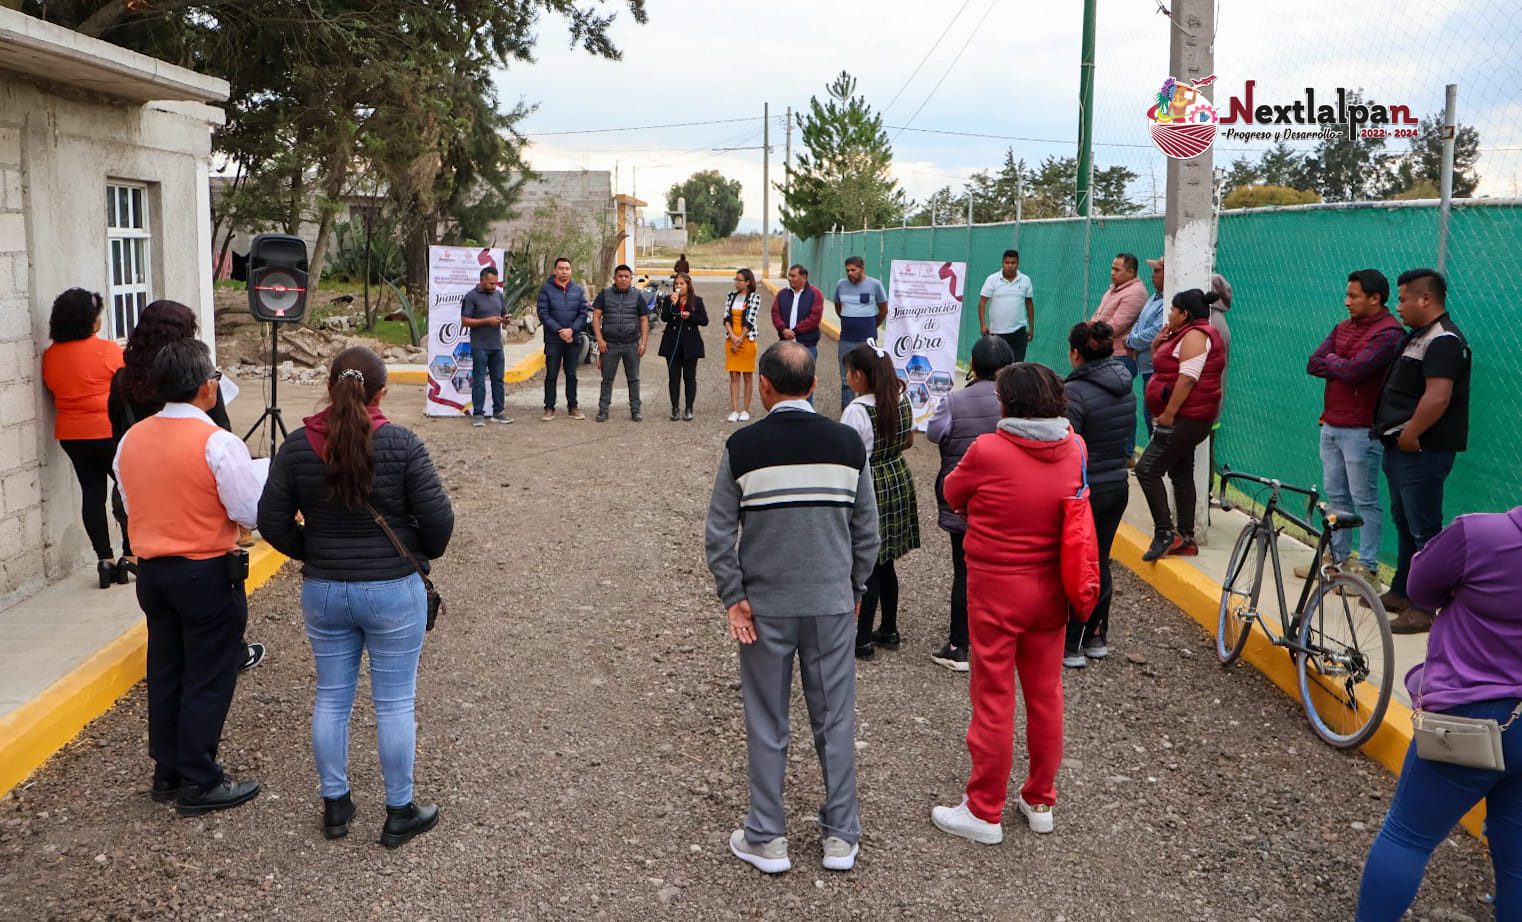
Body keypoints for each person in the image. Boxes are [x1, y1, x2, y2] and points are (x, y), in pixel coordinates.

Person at [258, 347, 455, 849]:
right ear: (382, 392)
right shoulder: (403, 444)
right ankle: (399, 811)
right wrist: (419, 550)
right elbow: (439, 520)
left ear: (329, 386)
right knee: (393, 703)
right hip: (392, 588)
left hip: (324, 590)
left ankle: (336, 806)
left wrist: (314, 551)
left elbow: (270, 520)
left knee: (331, 697)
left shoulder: (299, 446)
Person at [704, 341, 878, 874]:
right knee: (834, 720)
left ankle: (766, 837)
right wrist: (852, 589)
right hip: (829, 605)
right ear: (817, 386)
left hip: (765, 609)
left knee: (766, 720)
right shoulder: (848, 445)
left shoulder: (743, 446)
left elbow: (718, 534)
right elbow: (867, 532)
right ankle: (840, 837)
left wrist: (735, 598)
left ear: (764, 386)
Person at [932, 363, 1096, 844]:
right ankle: (1040, 798)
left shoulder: (988, 450)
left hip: (996, 590)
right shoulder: (1076, 448)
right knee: (1045, 696)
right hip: (1052, 591)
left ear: (1011, 404)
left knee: (993, 698)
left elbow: (951, 491)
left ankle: (985, 810)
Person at [114, 339, 266, 816]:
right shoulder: (218, 443)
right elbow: (248, 510)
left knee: (166, 669)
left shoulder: (131, 439)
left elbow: (128, 498)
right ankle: (200, 778)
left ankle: (167, 771)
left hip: (153, 572)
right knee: (209, 672)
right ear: (206, 387)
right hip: (205, 570)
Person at [1354, 508, 1522, 921]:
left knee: (1409, 834)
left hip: (1468, 716)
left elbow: (1420, 589)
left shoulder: (1480, 535)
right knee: (1517, 856)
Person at [108, 301, 263, 672]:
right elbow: (221, 432)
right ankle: (231, 652)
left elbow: (118, 434)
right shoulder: (201, 382)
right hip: (195, 499)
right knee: (212, 625)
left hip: (143, 493)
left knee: (160, 601)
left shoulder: (121, 380)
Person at [1367, 268, 1471, 634]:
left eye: (1403, 298)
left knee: (1426, 531)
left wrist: (1411, 435)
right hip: (1401, 448)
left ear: (1426, 298)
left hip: (1422, 450)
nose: (1399, 306)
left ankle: (1425, 607)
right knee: (1405, 523)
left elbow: (1438, 396)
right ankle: (1402, 591)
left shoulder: (1443, 340)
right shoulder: (1418, 337)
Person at [1298, 269, 1403, 589]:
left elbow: (1357, 371)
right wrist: (1340, 363)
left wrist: (1338, 363)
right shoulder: (1343, 327)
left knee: (1365, 499)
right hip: (1331, 424)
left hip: (1361, 430)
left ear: (1375, 298)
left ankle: (1367, 568)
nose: (1346, 302)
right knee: (1337, 497)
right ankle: (1336, 560)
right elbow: (1313, 362)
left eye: (1353, 296)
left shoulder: (1389, 333)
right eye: (1347, 295)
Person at [926, 336, 1015, 672]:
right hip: (1006, 498)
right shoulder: (1013, 398)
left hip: (963, 497)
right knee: (1001, 568)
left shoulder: (954, 399)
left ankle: (959, 645)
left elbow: (935, 434)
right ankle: (997, 641)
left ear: (973, 366)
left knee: (964, 569)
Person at [40, 288, 126, 588]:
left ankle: (105, 560)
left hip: (72, 435)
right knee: (127, 490)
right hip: (108, 432)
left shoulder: (49, 357)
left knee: (91, 494)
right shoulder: (108, 351)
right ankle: (131, 554)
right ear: (89, 321)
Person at [1062, 322, 1135, 668]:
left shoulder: (1074, 393)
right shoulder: (1126, 386)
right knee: (1100, 561)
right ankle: (1096, 636)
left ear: (1076, 353)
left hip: (1085, 488)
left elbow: (1068, 446)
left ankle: (1071, 643)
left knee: (1078, 563)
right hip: (1117, 485)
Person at [840, 342, 919, 660]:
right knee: (887, 563)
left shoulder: (857, 411)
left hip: (869, 481)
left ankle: (861, 640)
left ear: (859, 375)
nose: (846, 377)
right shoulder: (903, 399)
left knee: (867, 564)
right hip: (898, 476)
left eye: (848, 371)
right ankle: (889, 629)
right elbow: (909, 440)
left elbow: (847, 454)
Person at [1137, 289, 1228, 562]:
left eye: (1173, 310)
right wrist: (1156, 345)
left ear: (1184, 314)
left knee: (1147, 469)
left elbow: (1187, 379)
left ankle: (1165, 533)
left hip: (1187, 417)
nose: (1169, 315)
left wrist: (1168, 414)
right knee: (1180, 471)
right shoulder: (1183, 335)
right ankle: (1185, 537)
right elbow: (1167, 368)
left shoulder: (1196, 336)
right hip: (1187, 416)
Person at [592, 264, 651, 422]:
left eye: (626, 276)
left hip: (631, 343)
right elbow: (596, 317)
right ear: (615, 278)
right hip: (609, 344)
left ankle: (635, 410)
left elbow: (644, 319)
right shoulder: (605, 294)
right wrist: (600, 339)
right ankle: (603, 410)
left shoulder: (638, 296)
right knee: (607, 379)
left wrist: (643, 343)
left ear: (631, 278)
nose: (623, 279)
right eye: (620, 276)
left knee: (634, 378)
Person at [536, 257, 588, 421]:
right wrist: (559, 330)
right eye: (561, 268)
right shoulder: (546, 290)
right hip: (553, 340)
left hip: (572, 340)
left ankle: (573, 407)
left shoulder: (578, 290)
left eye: (567, 268)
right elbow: (543, 313)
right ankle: (549, 407)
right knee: (551, 374)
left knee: (571, 374)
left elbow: (583, 314)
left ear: (570, 270)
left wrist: (572, 330)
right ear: (555, 270)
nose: (564, 271)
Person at [832, 256, 889, 407]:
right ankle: (847, 414)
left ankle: (866, 412)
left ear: (862, 269)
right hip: (846, 340)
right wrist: (849, 319)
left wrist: (871, 325)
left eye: (853, 270)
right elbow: (838, 307)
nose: (850, 273)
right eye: (847, 270)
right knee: (846, 380)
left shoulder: (875, 285)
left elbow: (883, 309)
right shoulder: (841, 285)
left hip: (866, 340)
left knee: (867, 378)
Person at [461, 266, 513, 428]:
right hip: (480, 346)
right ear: (482, 280)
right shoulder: (471, 297)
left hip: (496, 346)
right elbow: (465, 321)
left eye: (495, 283)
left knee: (498, 380)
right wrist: (487, 321)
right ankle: (478, 414)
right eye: (490, 283)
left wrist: (506, 320)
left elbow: (504, 314)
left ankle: (498, 412)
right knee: (479, 381)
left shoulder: (498, 295)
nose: (493, 286)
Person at [1127, 256, 1168, 446]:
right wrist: (1132, 339)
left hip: (1155, 368)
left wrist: (1131, 341)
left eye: (1157, 271)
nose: (1153, 276)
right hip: (1145, 368)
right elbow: (1139, 323)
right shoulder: (1153, 298)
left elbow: (1154, 333)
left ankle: (1155, 460)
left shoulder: (1168, 302)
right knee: (1148, 413)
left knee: (1152, 414)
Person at [657, 273, 708, 421]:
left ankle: (689, 407)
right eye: (676, 284)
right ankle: (675, 408)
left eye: (681, 284)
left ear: (688, 285)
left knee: (690, 377)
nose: (678, 286)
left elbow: (704, 320)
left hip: (690, 343)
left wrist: (690, 316)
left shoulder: (696, 301)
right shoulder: (669, 299)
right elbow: (664, 317)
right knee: (674, 377)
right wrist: (673, 304)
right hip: (672, 343)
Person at [1091, 253, 1149, 378]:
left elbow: (1115, 326)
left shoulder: (1136, 293)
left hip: (1120, 357)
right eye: (1112, 268)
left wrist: (1089, 332)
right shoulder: (1113, 289)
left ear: (1130, 272)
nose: (1112, 273)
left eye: (1117, 270)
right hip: (1105, 353)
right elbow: (1097, 315)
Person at [977, 250, 1036, 363]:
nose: (1010, 266)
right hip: (997, 332)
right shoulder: (992, 280)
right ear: (1002, 263)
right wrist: (983, 324)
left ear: (1018, 264)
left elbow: (1029, 304)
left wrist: (1031, 328)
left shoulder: (1025, 280)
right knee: (998, 365)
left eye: (1013, 263)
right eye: (1007, 262)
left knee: (1017, 366)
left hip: (1019, 331)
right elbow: (982, 303)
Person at [724, 268, 762, 422]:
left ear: (747, 282)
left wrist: (739, 338)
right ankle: (734, 409)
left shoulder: (754, 298)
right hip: (731, 337)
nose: (736, 283)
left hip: (747, 339)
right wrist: (733, 337)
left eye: (739, 280)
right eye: (736, 280)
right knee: (733, 374)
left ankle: (745, 409)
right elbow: (726, 318)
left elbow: (750, 320)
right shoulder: (731, 296)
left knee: (747, 375)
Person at [770, 263, 825, 366]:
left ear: (804, 277)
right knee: (784, 376)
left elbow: (814, 318)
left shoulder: (815, 294)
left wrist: (795, 331)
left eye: (793, 276)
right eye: (789, 276)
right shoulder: (782, 294)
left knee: (805, 377)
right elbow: (775, 313)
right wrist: (783, 330)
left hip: (807, 346)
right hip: (785, 344)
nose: (790, 279)